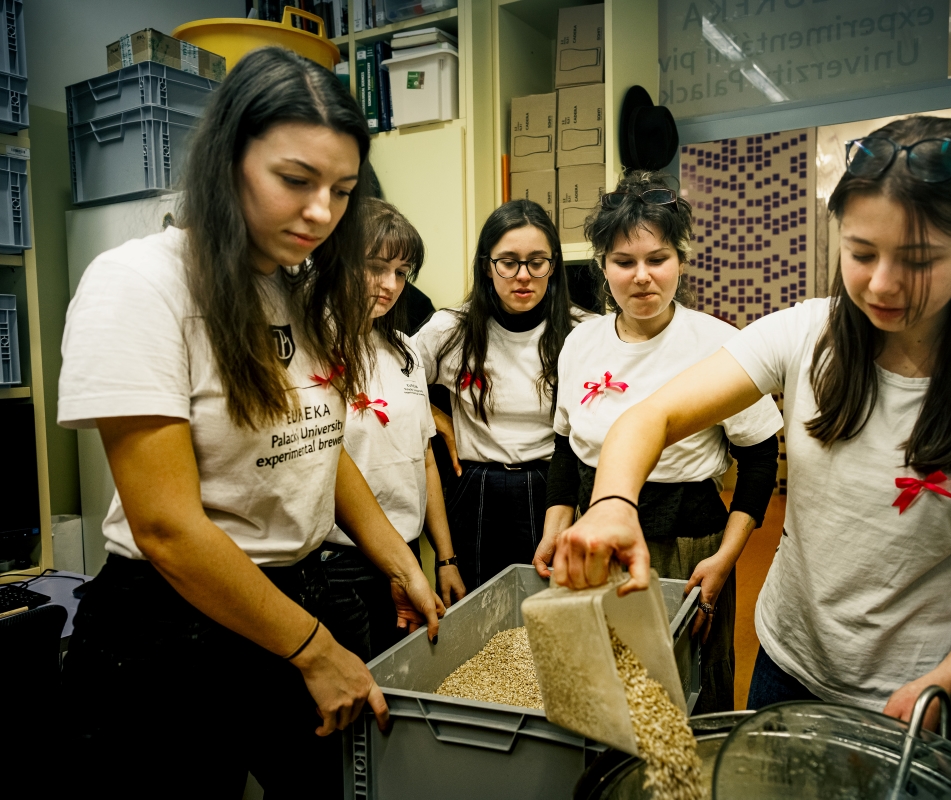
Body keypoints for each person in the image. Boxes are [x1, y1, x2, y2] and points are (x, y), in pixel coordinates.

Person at [552, 116, 951, 756]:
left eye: (919, 260)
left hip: (925, 697)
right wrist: (613, 503)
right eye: (861, 252)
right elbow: (649, 417)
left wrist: (947, 681)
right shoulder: (804, 334)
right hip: (787, 669)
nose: (882, 284)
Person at [56, 48, 443, 799]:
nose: (322, 213)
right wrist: (314, 651)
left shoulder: (298, 288)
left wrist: (398, 559)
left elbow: (313, 449)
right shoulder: (139, 284)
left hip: (296, 595)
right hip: (170, 623)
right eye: (296, 181)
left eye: (342, 190)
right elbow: (167, 527)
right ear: (228, 159)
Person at [533, 171, 782, 713]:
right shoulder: (581, 342)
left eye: (658, 259)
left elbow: (760, 459)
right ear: (602, 267)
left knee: (688, 690)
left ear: (680, 262)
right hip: (597, 532)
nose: (642, 277)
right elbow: (564, 448)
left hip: (688, 544)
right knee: (609, 690)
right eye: (625, 262)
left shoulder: (717, 344)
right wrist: (556, 528)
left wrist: (725, 557)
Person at [414, 200, 590, 591]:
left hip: (554, 487)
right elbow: (388, 382)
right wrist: (432, 414)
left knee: (555, 609)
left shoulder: (583, 332)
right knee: (479, 614)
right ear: (486, 266)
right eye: (508, 262)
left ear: (554, 265)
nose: (523, 276)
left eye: (537, 261)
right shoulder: (450, 329)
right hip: (477, 489)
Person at [321, 198, 467, 661]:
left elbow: (423, 457)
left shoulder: (404, 351)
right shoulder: (313, 349)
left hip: (405, 556)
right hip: (338, 562)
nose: (390, 286)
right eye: (376, 267)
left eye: (402, 272)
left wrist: (444, 557)